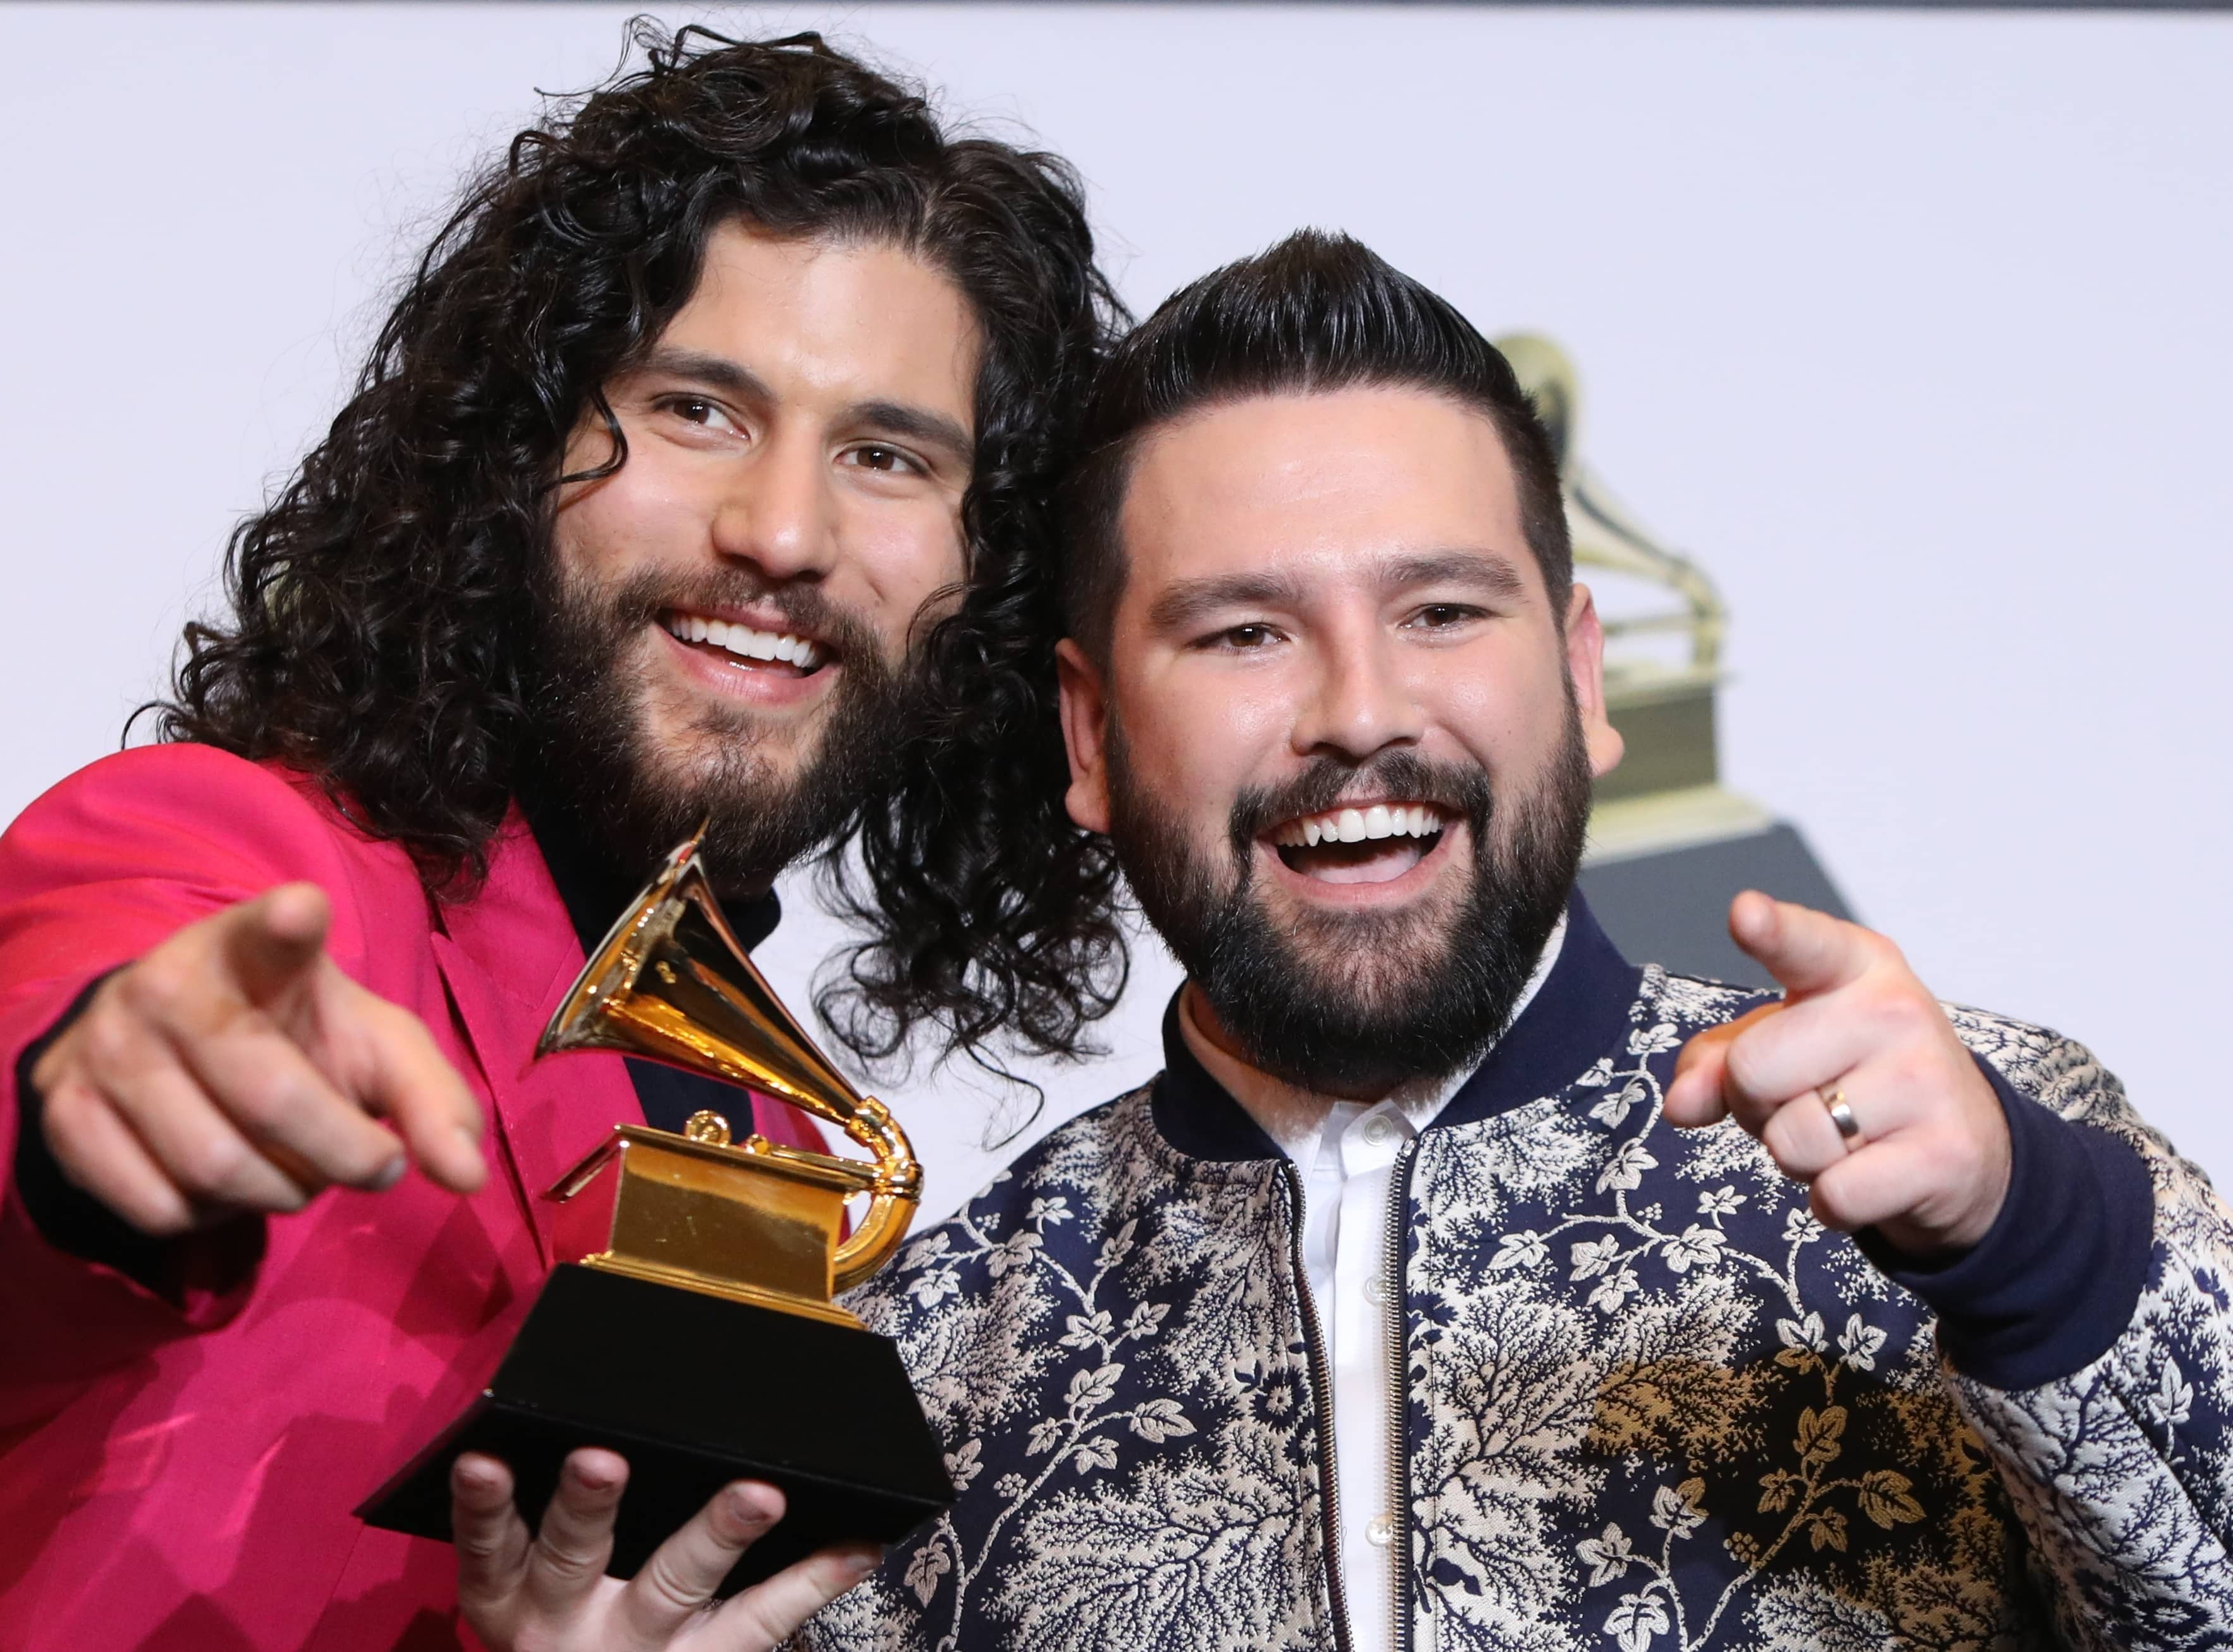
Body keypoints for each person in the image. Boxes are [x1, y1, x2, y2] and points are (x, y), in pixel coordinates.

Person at [0, 25, 1124, 1650]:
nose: (784, 532)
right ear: (520, 452)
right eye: (698, 409)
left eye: (889, 456)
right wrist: (79, 1128)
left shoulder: (759, 1150)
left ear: (980, 570)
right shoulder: (220, 862)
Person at [771, 233, 2229, 1649]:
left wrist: (2036, 1250)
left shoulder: (1977, 1164)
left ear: (1583, 675)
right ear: (1089, 734)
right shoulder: (928, 1363)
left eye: (1444, 611)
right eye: (1243, 635)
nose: (1360, 708)